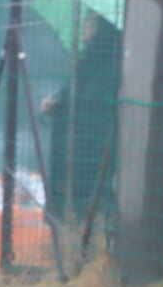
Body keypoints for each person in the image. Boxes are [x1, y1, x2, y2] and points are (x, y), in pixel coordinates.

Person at [41, 11, 122, 222]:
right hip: (71, 150)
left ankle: (91, 232)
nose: (84, 28)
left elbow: (91, 104)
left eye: (89, 23)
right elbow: (71, 96)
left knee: (90, 199)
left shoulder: (109, 64)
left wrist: (62, 106)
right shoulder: (87, 62)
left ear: (101, 29)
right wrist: (55, 104)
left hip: (91, 149)